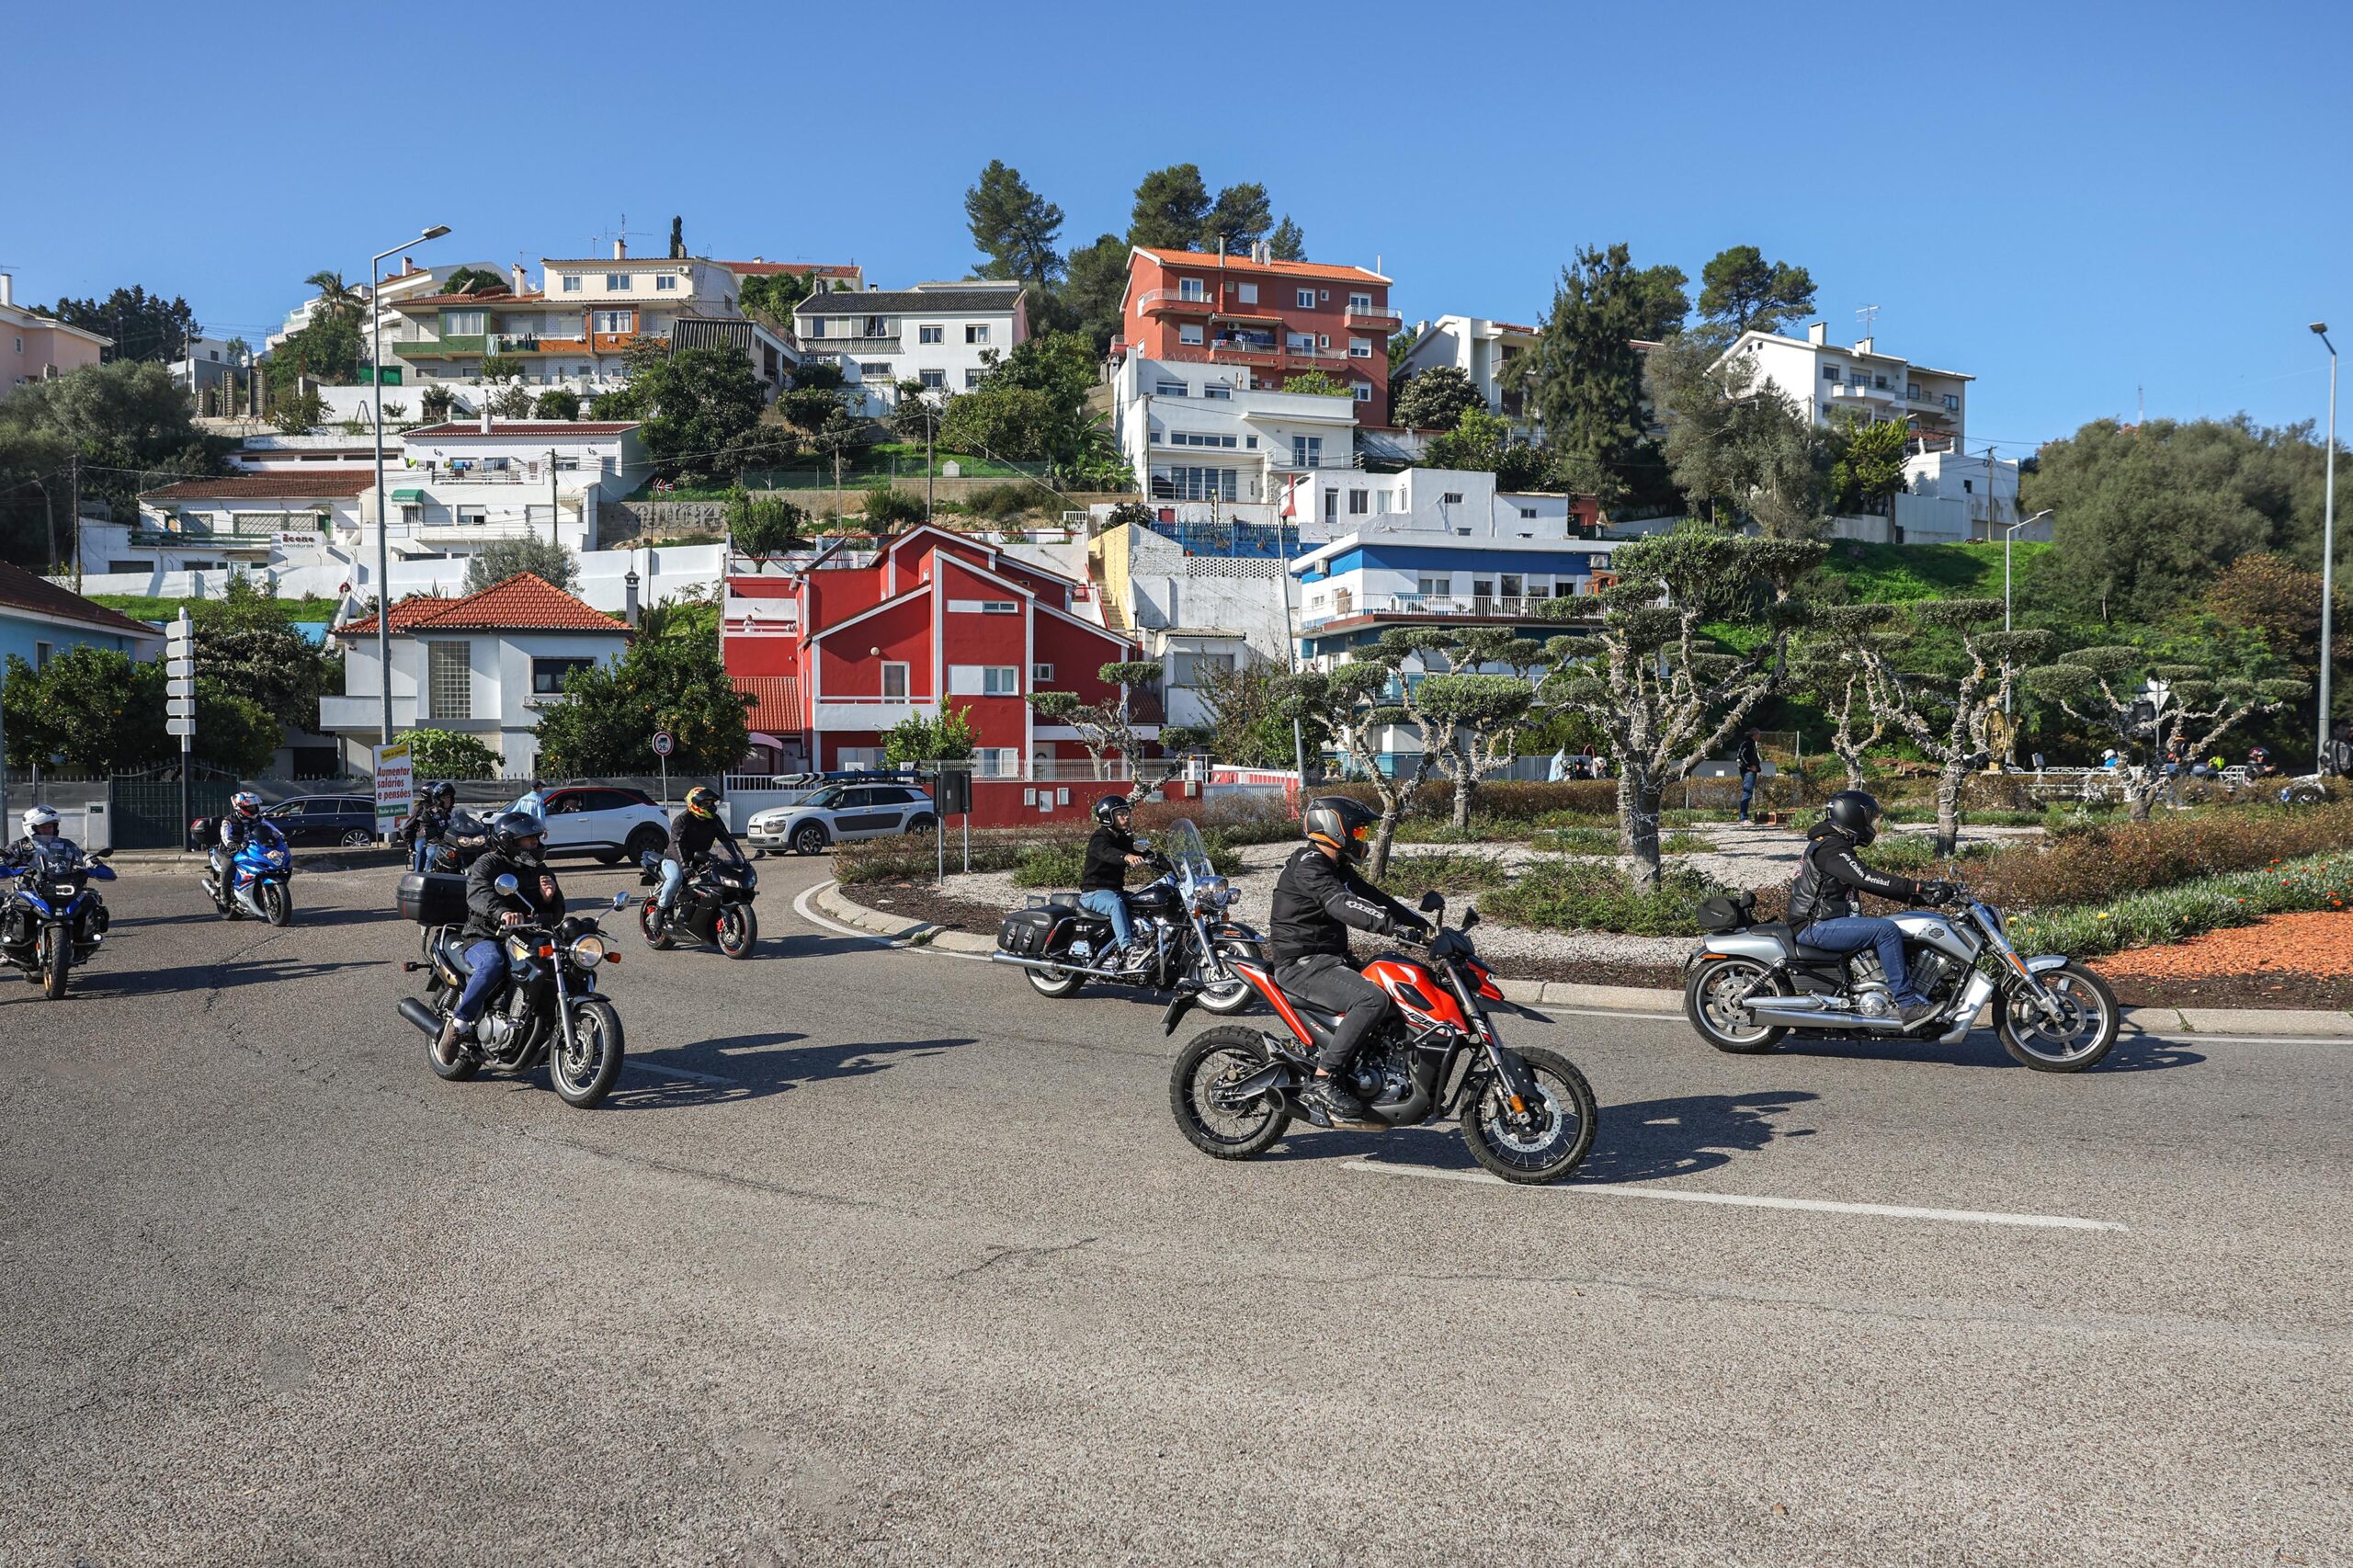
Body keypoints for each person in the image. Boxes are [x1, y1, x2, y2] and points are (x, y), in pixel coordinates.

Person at [1267, 796, 1432, 1120]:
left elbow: (1373, 897)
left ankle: (1368, 1070)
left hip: (1328, 958)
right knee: (1371, 1000)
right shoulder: (1309, 864)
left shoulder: (1335, 865)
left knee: (1394, 988)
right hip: (1301, 963)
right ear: (1334, 829)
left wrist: (1421, 926)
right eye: (1357, 831)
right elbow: (1341, 903)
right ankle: (1324, 1079)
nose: (1361, 839)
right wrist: (1391, 926)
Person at [1785, 790, 1957, 1028]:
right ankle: (1907, 1005)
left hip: (1823, 921)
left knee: (1896, 925)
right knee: (1885, 930)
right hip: (1815, 925)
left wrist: (1921, 899)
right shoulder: (1830, 849)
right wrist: (1916, 887)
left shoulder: (1832, 845)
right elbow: (1866, 878)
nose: (1871, 824)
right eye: (1868, 817)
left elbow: (1863, 883)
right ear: (1852, 815)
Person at [437, 810, 563, 1066]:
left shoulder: (538, 867)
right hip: (485, 935)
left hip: (524, 936)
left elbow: (556, 913)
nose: (535, 843)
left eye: (537, 838)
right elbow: (480, 893)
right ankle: (459, 1024)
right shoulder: (488, 863)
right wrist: (503, 912)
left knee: (563, 958)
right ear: (510, 841)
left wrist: (549, 898)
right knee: (493, 963)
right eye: (529, 839)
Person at [654, 785, 745, 931]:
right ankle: (661, 911)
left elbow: (727, 839)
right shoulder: (682, 820)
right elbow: (676, 843)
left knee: (714, 880)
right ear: (694, 804)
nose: (710, 806)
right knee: (676, 879)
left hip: (699, 858)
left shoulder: (714, 820)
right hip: (675, 859)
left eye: (711, 803)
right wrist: (684, 866)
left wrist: (740, 858)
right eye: (705, 804)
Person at [1079, 795, 1150, 961]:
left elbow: (1143, 853)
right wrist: (1126, 857)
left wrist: (1169, 863)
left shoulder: (1123, 839)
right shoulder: (1099, 838)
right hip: (1093, 893)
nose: (1126, 817)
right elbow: (1106, 852)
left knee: (1143, 901)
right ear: (1108, 816)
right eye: (1120, 814)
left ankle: (1145, 943)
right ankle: (1128, 949)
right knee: (1115, 904)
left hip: (1115, 890)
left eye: (1126, 813)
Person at [209, 790, 284, 899]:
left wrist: (281, 835)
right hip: (231, 851)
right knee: (229, 867)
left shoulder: (258, 818)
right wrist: (231, 844)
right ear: (239, 807)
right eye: (250, 807)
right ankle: (224, 895)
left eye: (254, 806)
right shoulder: (229, 821)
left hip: (251, 846)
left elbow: (270, 827)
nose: (253, 809)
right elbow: (225, 835)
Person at [400, 782, 458, 873]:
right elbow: (408, 827)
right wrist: (410, 845)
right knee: (423, 851)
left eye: (448, 797)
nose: (446, 799)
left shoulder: (447, 809)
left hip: (443, 837)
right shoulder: (421, 808)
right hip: (424, 837)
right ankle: (419, 875)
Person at [1736, 728, 1765, 824]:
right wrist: (1749, 766)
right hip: (1748, 771)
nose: (1760, 736)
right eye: (1758, 734)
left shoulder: (1751, 743)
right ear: (1754, 735)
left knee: (1748, 793)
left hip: (1750, 770)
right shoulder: (1748, 743)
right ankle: (1743, 817)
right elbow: (1741, 755)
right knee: (1747, 793)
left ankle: (1744, 816)